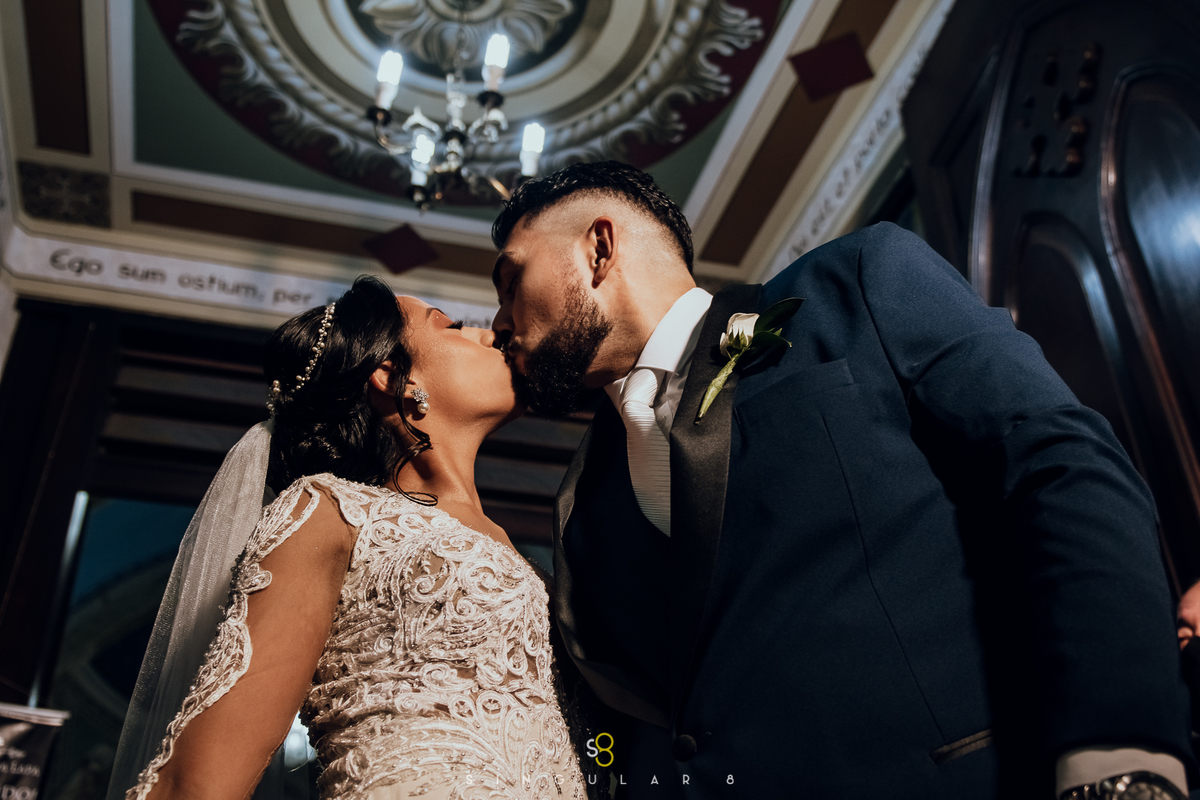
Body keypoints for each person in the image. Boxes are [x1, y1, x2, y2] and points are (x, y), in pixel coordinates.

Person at [488, 161, 1195, 799]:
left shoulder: (853, 283)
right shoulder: (581, 512)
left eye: (510, 278)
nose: (497, 323)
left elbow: (1061, 462)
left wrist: (1121, 758)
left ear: (599, 247)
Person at [106, 276, 587, 800]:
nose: (491, 334)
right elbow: (196, 783)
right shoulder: (332, 512)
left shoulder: (529, 553)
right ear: (392, 378)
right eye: (452, 326)